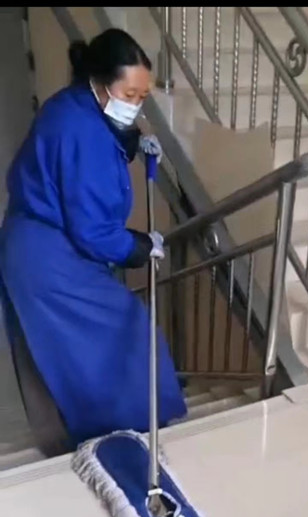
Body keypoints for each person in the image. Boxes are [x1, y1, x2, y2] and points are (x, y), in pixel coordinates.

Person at [0, 28, 186, 455]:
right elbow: (94, 231)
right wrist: (140, 247)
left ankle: (92, 434)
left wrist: (132, 141)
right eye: (130, 94)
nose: (136, 104)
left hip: (37, 244)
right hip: (49, 258)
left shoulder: (76, 102)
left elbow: (98, 141)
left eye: (143, 96)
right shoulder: (81, 130)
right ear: (101, 84)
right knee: (124, 331)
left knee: (62, 349)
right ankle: (122, 435)